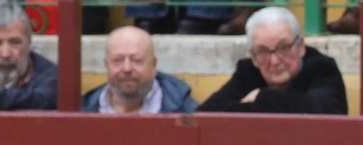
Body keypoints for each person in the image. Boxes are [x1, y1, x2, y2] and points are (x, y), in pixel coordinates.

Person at [198, 7, 347, 114]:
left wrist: (260, 97)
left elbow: (323, 111)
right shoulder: (248, 72)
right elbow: (206, 114)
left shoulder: (322, 68)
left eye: (283, 48)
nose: (274, 61)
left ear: (301, 46)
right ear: (253, 56)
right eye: (262, 51)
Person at [83, 27, 198, 114]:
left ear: (153, 65)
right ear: (106, 65)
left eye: (136, 60)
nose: (127, 68)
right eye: (118, 60)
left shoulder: (185, 111)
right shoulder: (83, 109)